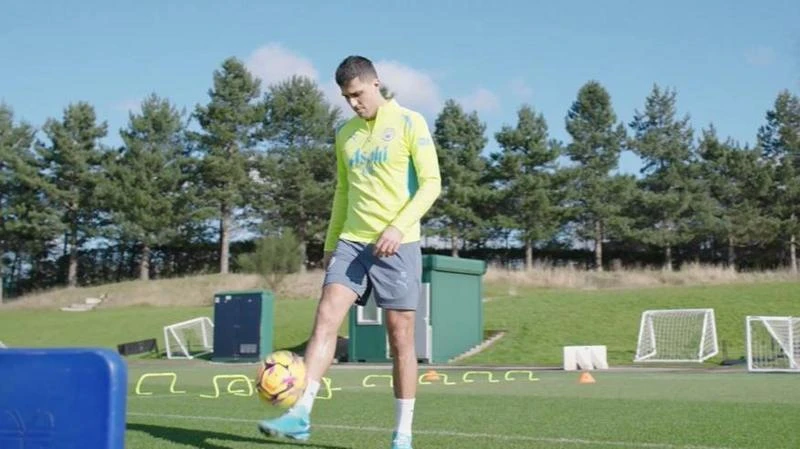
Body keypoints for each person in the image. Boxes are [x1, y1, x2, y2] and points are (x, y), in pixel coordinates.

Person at [258, 55, 442, 449]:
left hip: (399, 244)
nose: (354, 103)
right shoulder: (345, 134)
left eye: (358, 94)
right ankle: (301, 414)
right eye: (346, 98)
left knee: (401, 340)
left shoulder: (411, 123)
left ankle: (403, 434)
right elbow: (343, 192)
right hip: (352, 242)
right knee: (326, 316)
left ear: (375, 84)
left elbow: (431, 184)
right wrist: (329, 244)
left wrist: (397, 227)